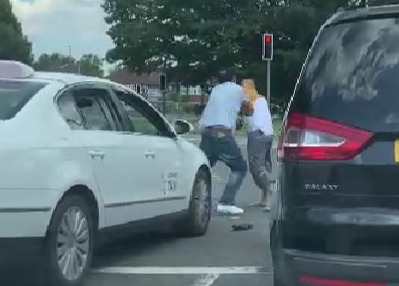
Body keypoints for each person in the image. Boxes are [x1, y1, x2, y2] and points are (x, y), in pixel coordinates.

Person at [199, 71, 249, 215]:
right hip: (222, 134)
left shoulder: (216, 90)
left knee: (203, 167)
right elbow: (248, 106)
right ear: (233, 79)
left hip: (206, 132)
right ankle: (226, 202)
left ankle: (195, 199)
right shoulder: (238, 89)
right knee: (239, 167)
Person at [241, 79, 273, 211]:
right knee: (259, 165)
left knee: (256, 167)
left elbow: (248, 109)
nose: (241, 88)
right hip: (266, 133)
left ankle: (269, 191)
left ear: (250, 86)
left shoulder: (250, 95)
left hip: (258, 134)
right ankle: (264, 199)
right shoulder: (261, 99)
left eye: (243, 85)